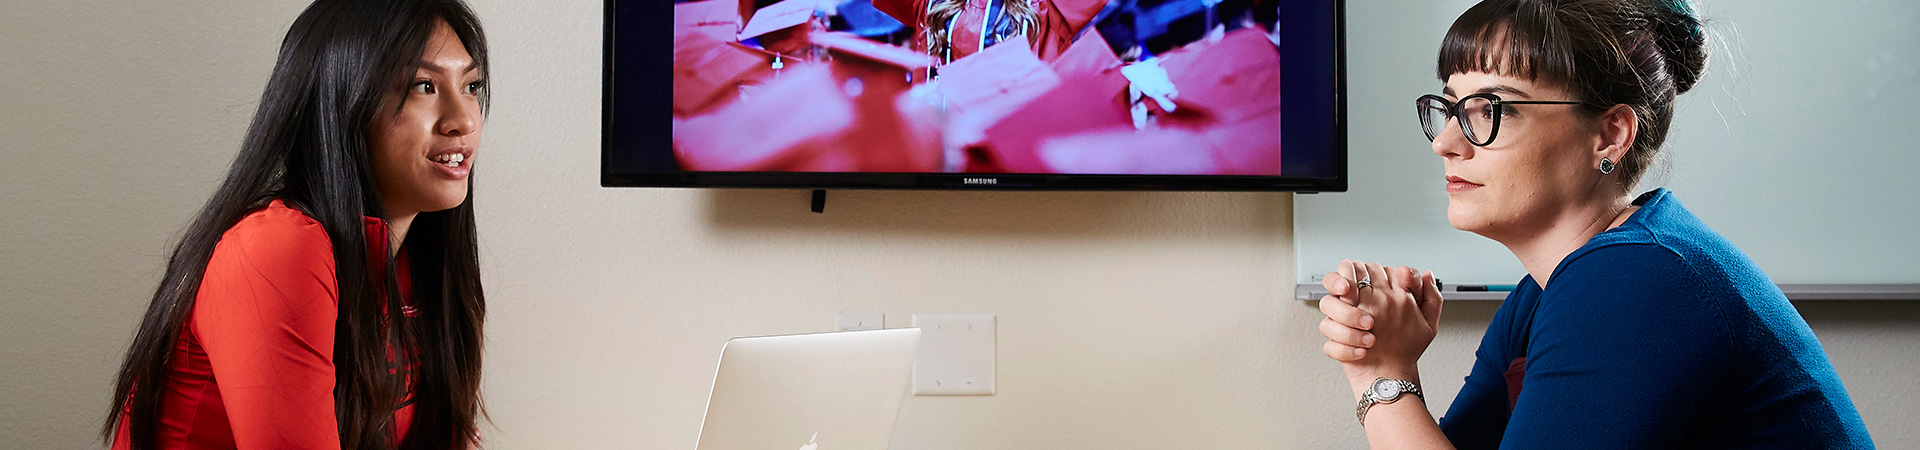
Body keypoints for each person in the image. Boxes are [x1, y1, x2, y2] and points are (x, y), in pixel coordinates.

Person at [1313, 0, 1875, 448]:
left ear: (1610, 134)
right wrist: (1380, 362)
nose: (1446, 143)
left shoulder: (1638, 277)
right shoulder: (1546, 290)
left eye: (1493, 109)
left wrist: (1382, 376)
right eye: (1452, 107)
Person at [101, 1, 491, 449]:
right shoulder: (278, 248)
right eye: (424, 86)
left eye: (471, 86)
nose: (463, 120)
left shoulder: (419, 263)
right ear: (344, 101)